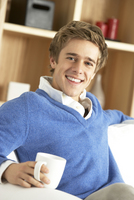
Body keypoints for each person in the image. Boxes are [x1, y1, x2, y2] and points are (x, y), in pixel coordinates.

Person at [0, 21, 134, 200]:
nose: (78, 69)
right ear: (53, 60)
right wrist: (7, 169)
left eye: (88, 63)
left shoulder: (94, 108)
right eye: (71, 58)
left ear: (94, 73)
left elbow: (116, 117)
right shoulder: (27, 108)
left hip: (115, 192)